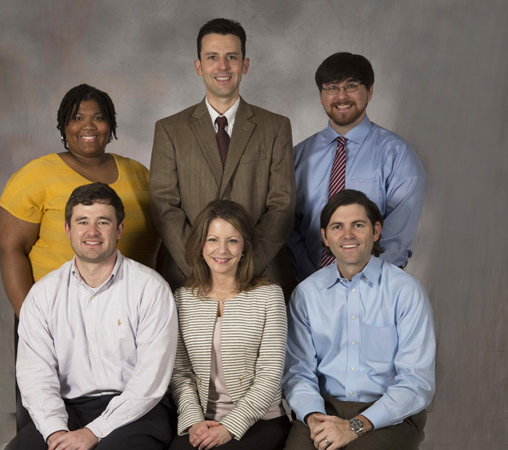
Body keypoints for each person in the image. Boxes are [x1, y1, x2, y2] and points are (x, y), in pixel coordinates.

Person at [0, 84, 159, 429]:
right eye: (77, 118)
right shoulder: (35, 175)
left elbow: (158, 240)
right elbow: (9, 249)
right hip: (53, 312)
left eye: (98, 117)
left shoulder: (139, 174)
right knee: (48, 415)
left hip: (125, 310)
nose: (88, 126)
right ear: (63, 126)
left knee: (126, 413)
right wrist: (32, 320)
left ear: (111, 124)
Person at [4, 182, 177, 450]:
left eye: (103, 222)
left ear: (119, 229)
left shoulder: (151, 288)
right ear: (67, 229)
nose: (92, 232)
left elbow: (149, 381)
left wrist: (93, 432)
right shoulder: (42, 294)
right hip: (69, 410)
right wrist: (54, 432)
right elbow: (35, 376)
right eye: (82, 221)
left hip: (138, 411)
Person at [150, 18, 295, 296]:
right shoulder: (169, 130)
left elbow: (282, 206)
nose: (223, 66)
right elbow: (164, 208)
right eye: (212, 57)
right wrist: (201, 269)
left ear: (245, 64)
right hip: (188, 278)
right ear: (199, 66)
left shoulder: (275, 127)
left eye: (232, 57)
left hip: (259, 277)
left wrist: (244, 269)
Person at [283, 190, 435, 450]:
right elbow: (298, 372)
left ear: (376, 232)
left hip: (388, 414)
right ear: (325, 237)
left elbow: (416, 382)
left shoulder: (405, 291)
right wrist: (315, 418)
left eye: (358, 225)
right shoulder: (306, 294)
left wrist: (356, 425)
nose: (348, 235)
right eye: (337, 227)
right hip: (323, 408)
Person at [287, 52, 426, 282]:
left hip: (377, 287)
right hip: (311, 286)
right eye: (331, 87)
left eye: (351, 86)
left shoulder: (397, 154)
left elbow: (398, 232)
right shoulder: (299, 155)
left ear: (369, 91)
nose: (341, 96)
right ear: (321, 96)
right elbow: (288, 224)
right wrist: (311, 279)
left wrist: (361, 281)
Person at [169, 200, 290, 450]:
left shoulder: (269, 296)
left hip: (261, 419)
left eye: (232, 240)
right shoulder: (182, 298)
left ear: (244, 247)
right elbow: (181, 374)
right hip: (203, 420)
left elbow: (271, 374)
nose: (221, 250)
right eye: (213, 239)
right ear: (200, 244)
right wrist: (194, 422)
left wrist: (230, 427)